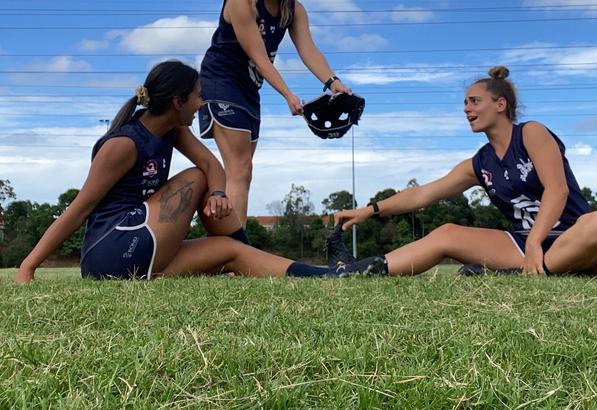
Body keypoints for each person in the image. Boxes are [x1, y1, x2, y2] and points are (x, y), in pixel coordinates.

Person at [15, 60, 384, 284]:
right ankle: (304, 269)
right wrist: (29, 267)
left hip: (139, 255)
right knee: (194, 179)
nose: (202, 102)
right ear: (177, 102)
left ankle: (326, 275)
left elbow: (213, 165)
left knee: (231, 251)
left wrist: (220, 195)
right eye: (196, 96)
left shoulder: (173, 129)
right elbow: (79, 209)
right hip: (112, 251)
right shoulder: (124, 144)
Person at [333, 67, 597, 278]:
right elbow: (422, 194)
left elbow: (557, 189)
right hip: (522, 245)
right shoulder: (480, 162)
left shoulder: (532, 133)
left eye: (474, 101)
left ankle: (523, 274)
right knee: (447, 233)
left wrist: (535, 243)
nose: (466, 109)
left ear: (500, 104)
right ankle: (364, 271)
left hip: (572, 238)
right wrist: (368, 210)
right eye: (465, 103)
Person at [199, 0, 351, 224]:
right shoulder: (240, 2)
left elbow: (309, 50)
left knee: (244, 170)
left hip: (249, 88)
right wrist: (289, 95)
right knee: (239, 167)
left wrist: (334, 83)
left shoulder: (294, 10)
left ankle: (229, 246)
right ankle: (234, 249)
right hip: (221, 82)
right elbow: (259, 57)